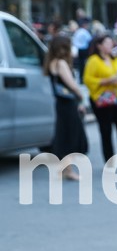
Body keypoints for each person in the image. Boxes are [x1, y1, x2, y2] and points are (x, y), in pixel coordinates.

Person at [44, 35, 89, 180]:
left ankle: (65, 168)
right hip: (68, 103)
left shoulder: (51, 62)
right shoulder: (61, 63)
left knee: (64, 134)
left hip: (60, 102)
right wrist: (81, 95)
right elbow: (72, 85)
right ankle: (68, 170)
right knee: (71, 135)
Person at [83, 35, 117, 165]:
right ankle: (109, 159)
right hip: (102, 98)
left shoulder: (116, 60)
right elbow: (88, 80)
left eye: (111, 43)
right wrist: (106, 80)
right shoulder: (93, 60)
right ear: (99, 45)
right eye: (107, 43)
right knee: (106, 130)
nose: (110, 46)